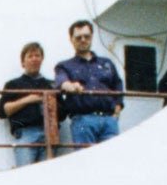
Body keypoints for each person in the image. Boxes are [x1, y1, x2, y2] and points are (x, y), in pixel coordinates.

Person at [53, 20, 123, 150]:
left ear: (91, 37)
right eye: (78, 37)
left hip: (109, 121)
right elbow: (62, 82)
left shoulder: (107, 63)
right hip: (83, 121)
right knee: (86, 164)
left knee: (111, 162)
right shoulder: (64, 66)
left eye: (86, 36)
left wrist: (117, 112)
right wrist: (71, 87)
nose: (83, 40)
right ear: (71, 40)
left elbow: (118, 86)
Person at [0, 42, 56, 166]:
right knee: (25, 177)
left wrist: (54, 106)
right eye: (30, 56)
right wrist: (28, 99)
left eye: (37, 56)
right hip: (26, 134)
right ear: (23, 62)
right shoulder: (13, 84)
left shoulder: (50, 85)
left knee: (47, 178)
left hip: (49, 135)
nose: (34, 59)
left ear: (42, 60)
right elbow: (1, 112)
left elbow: (62, 114)